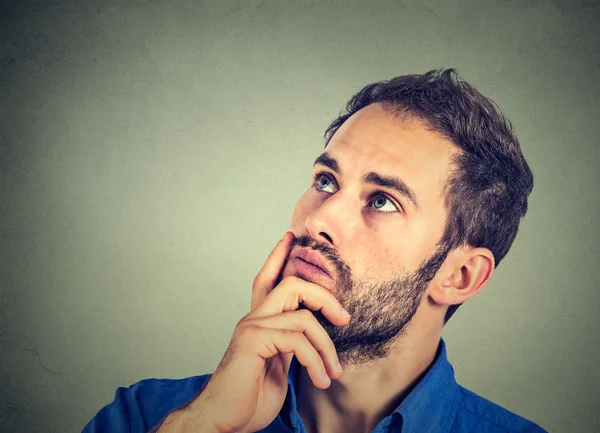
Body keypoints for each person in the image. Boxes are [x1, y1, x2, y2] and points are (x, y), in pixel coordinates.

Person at [83, 69, 547, 433]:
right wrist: (206, 425)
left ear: (459, 275)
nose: (317, 220)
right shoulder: (146, 417)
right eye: (326, 181)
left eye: (382, 200)